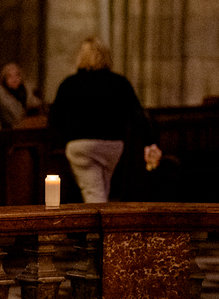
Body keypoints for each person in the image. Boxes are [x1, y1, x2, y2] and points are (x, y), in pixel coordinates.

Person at [49, 37, 161, 203]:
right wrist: (150, 142)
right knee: (101, 189)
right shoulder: (119, 82)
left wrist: (66, 140)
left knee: (95, 194)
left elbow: (55, 118)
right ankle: (103, 218)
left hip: (81, 146)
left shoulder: (69, 83)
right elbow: (137, 113)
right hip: (111, 146)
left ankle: (100, 219)